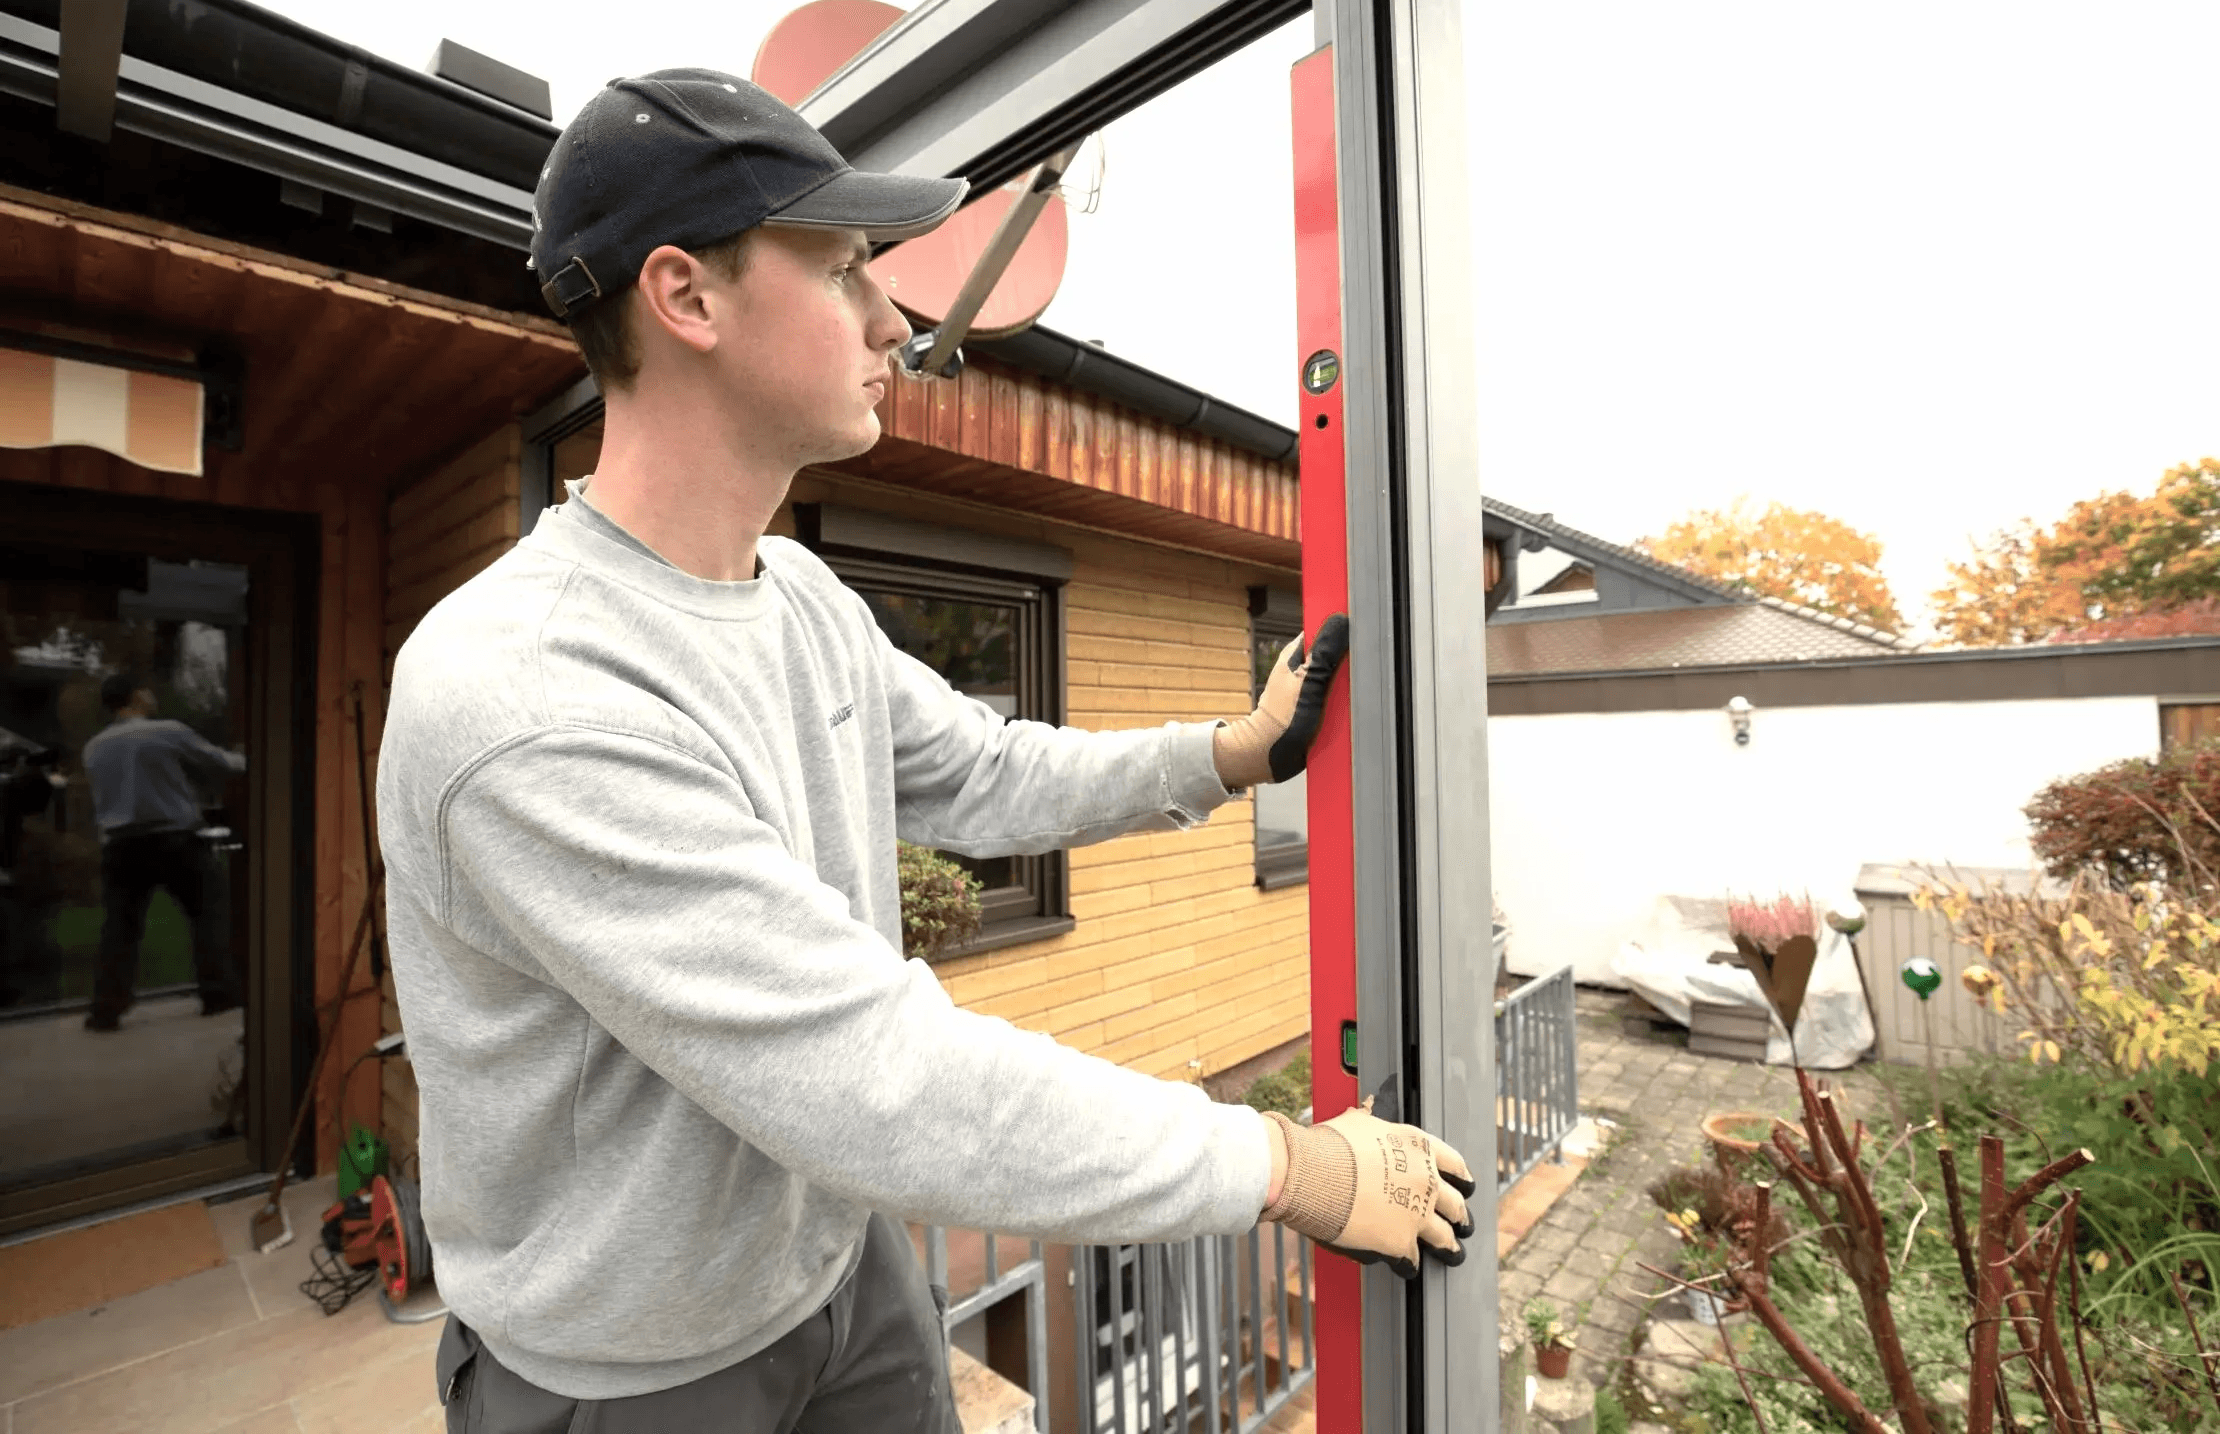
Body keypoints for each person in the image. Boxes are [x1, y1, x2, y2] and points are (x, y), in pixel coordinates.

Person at [379, 70, 1474, 1434]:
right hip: (633, 1371)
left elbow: (984, 772)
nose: (894, 315)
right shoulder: (522, 690)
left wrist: (1228, 755)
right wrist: (1290, 1166)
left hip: (839, 1275)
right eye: (844, 269)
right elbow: (875, 1075)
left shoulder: (801, 604)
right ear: (688, 297)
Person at [80, 676, 245, 1030]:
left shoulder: (94, 746)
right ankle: (218, 994)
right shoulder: (166, 730)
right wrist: (248, 754)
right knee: (208, 912)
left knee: (119, 929)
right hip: (175, 840)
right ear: (136, 693)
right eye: (148, 689)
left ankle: (105, 1010)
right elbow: (222, 763)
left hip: (121, 845)